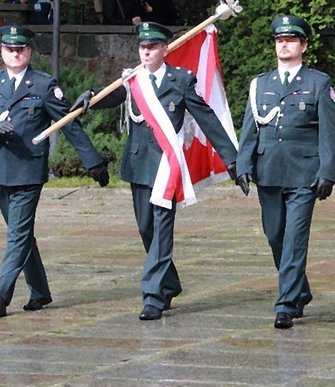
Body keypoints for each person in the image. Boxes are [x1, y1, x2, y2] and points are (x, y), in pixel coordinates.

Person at [69, 22, 239, 321]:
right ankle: (170, 283)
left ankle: (153, 295)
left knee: (161, 230)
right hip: (138, 164)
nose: (146, 51)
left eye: (152, 47)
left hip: (166, 166)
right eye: (142, 47)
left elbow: (207, 118)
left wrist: (233, 160)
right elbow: (112, 97)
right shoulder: (133, 80)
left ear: (165, 49)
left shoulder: (181, 80)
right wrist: (89, 98)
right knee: (146, 229)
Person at [0, 24, 109, 318]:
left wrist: (93, 161)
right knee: (21, 234)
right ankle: (40, 291)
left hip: (29, 171)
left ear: (29, 52)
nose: (14, 54)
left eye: (20, 49)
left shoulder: (43, 85)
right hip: (0, 168)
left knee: (17, 235)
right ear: (1, 51)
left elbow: (69, 123)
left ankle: (0, 297)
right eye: (9, 49)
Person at [235, 15, 335, 330]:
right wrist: (242, 165)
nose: (284, 44)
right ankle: (300, 290)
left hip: (304, 173)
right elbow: (250, 130)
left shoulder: (318, 83)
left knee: (294, 239)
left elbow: (329, 133)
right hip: (268, 172)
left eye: (291, 40)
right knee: (275, 235)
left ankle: (286, 304)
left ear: (303, 46)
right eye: (280, 40)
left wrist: (327, 171)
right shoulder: (260, 84)